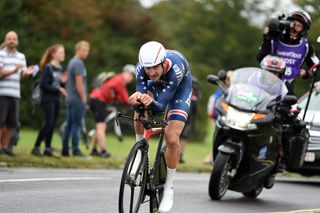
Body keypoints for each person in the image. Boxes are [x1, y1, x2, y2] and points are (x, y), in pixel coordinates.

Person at [128, 41, 192, 212]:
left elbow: (160, 105)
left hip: (179, 90)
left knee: (171, 138)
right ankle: (140, 152)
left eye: (155, 68)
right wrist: (138, 99)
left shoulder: (175, 69)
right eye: (147, 69)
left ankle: (169, 186)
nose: (151, 72)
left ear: (163, 63)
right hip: (156, 86)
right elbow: (141, 91)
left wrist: (151, 102)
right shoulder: (142, 69)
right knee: (140, 105)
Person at [257, 10, 319, 95]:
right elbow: (260, 58)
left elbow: (316, 66)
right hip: (266, 86)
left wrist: (307, 74)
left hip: (287, 90)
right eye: (293, 23)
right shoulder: (274, 40)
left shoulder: (306, 46)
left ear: (304, 29)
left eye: (299, 26)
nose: (294, 27)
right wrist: (266, 38)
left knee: (292, 107)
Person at [89, 64, 136, 158]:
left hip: (97, 100)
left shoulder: (116, 79)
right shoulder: (119, 81)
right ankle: (103, 151)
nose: (131, 79)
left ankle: (94, 149)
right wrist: (134, 104)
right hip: (98, 101)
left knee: (100, 126)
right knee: (101, 126)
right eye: (131, 75)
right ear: (125, 72)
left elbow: (115, 94)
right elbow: (125, 99)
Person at [0, 31, 34, 156]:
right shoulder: (1, 55)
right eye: (9, 39)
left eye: (14, 39)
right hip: (2, 93)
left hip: (15, 94)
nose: (12, 41)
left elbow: (22, 74)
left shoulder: (21, 57)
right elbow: (1, 73)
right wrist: (15, 70)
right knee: (0, 121)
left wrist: (26, 73)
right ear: (6, 40)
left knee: (11, 123)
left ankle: (4, 147)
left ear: (17, 41)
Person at [31, 44, 67, 157]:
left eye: (63, 52)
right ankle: (36, 147)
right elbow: (43, 85)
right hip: (48, 99)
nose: (63, 55)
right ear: (54, 55)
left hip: (56, 99)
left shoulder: (60, 68)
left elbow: (59, 85)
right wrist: (58, 88)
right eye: (61, 52)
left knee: (52, 124)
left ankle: (47, 148)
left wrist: (63, 82)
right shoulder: (48, 67)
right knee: (48, 123)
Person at [61, 40, 90, 157]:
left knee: (69, 124)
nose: (86, 53)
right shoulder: (78, 63)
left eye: (87, 50)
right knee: (77, 125)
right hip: (76, 99)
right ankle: (76, 150)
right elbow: (79, 83)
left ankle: (65, 150)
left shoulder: (72, 62)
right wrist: (84, 99)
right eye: (84, 50)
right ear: (77, 50)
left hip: (70, 98)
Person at [203, 70, 232, 164]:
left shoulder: (236, 91)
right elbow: (217, 103)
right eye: (228, 79)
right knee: (218, 136)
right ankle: (213, 157)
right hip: (221, 116)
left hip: (233, 118)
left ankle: (215, 158)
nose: (229, 81)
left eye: (231, 79)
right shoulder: (222, 89)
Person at [178, 76, 200, 164]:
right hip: (188, 116)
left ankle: (171, 153)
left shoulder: (182, 87)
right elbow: (195, 107)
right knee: (182, 137)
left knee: (175, 134)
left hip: (181, 113)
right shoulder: (195, 88)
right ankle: (180, 156)